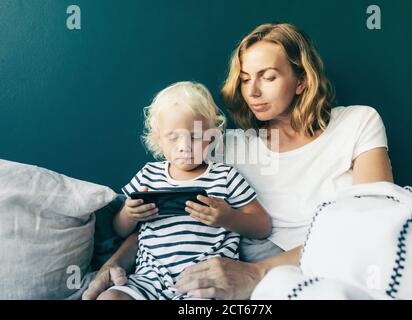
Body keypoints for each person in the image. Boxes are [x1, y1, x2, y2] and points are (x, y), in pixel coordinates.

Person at [83, 23, 393, 300]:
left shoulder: (356, 122)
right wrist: (113, 265)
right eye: (245, 80)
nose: (253, 92)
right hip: (233, 263)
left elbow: (371, 222)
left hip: (327, 257)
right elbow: (167, 219)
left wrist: (256, 272)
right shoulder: (223, 145)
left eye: (268, 77)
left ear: (300, 81)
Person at [94, 81, 271, 300]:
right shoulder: (148, 175)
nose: (184, 146)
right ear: (158, 138)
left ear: (211, 136)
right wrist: (129, 215)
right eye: (173, 136)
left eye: (195, 136)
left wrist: (229, 218)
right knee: (109, 298)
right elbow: (119, 230)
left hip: (204, 281)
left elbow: (263, 226)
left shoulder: (225, 176)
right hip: (148, 279)